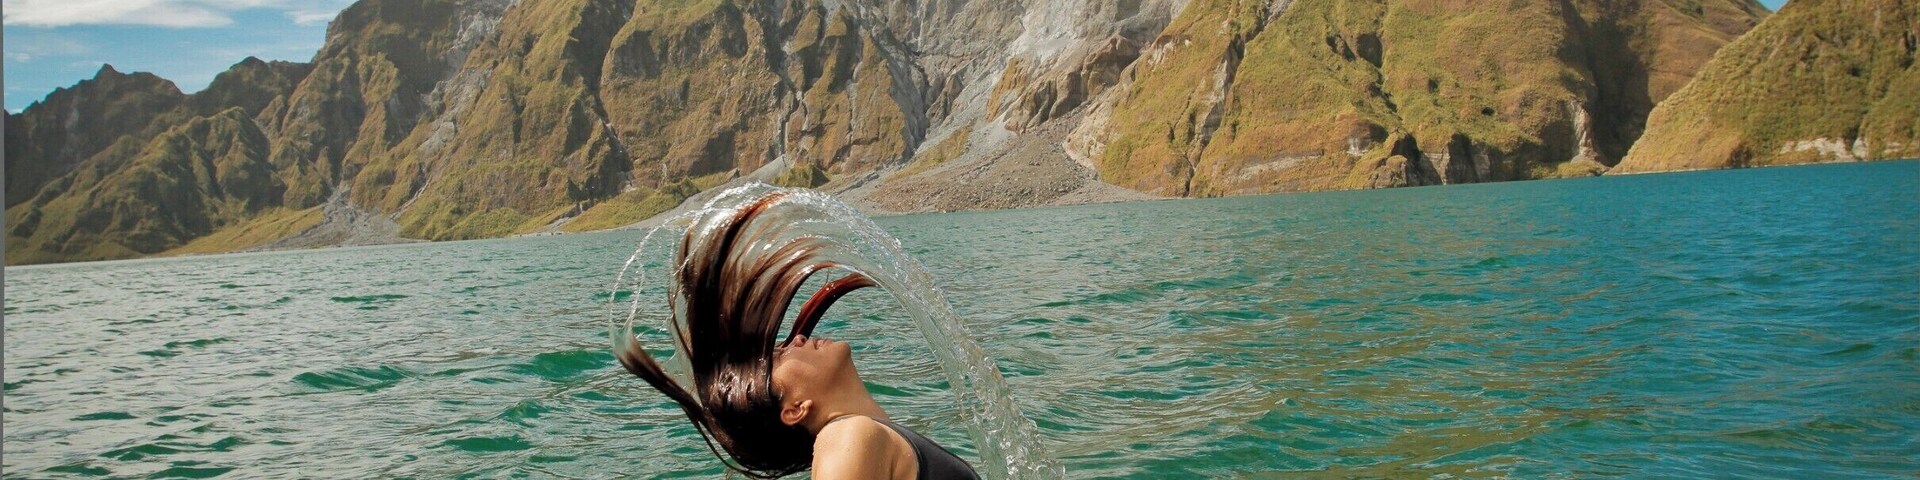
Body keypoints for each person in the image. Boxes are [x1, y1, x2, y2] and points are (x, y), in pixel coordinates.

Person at [616, 192, 981, 480]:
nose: (796, 340)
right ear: (794, 409)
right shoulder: (847, 438)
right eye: (779, 355)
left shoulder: (867, 436)